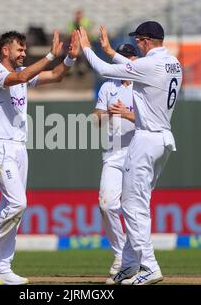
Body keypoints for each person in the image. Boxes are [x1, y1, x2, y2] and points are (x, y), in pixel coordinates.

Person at [77, 21, 182, 285]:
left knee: (133, 207)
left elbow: (103, 69)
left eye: (139, 41)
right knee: (138, 205)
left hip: (145, 140)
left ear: (147, 41)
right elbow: (135, 67)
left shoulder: (149, 65)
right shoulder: (173, 63)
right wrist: (112, 51)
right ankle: (130, 263)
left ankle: (149, 266)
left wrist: (88, 49)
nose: (137, 45)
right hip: (164, 140)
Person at [0, 30, 80, 285]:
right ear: (5, 51)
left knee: (12, 207)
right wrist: (49, 55)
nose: (24, 53)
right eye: (20, 50)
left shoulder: (22, 77)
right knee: (17, 203)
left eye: (25, 50)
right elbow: (21, 75)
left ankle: (4, 266)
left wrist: (68, 59)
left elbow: (56, 76)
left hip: (19, 147)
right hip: (0, 146)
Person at [93, 40, 138, 276]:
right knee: (107, 204)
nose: (122, 61)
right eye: (119, 57)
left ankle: (138, 259)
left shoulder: (143, 85)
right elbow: (96, 120)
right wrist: (102, 115)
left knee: (133, 208)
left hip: (137, 153)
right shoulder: (107, 87)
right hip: (112, 154)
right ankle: (121, 254)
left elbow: (152, 120)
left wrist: (126, 114)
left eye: (127, 57)